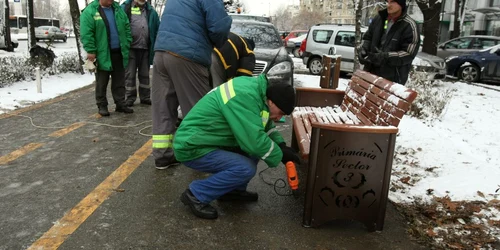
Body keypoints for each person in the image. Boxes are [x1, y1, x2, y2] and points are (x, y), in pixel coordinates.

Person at [173, 75, 301, 219]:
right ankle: (196, 194)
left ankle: (232, 191)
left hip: (208, 140)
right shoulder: (244, 96)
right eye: (281, 113)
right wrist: (281, 154)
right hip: (193, 145)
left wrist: (281, 145)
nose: (279, 118)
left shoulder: (259, 93)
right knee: (245, 168)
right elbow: (254, 142)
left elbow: (264, 125)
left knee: (253, 153)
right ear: (272, 102)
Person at [151, 0, 231, 170]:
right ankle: (201, 155)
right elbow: (220, 26)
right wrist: (217, 42)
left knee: (163, 108)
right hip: (187, 54)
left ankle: (163, 155)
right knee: (198, 110)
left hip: (161, 52)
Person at [80, 0, 133, 116]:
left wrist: (127, 43)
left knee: (119, 81)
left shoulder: (118, 10)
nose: (111, 1)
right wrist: (91, 50)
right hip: (102, 54)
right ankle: (102, 105)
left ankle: (120, 103)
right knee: (101, 82)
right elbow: (86, 33)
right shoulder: (90, 11)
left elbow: (127, 27)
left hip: (119, 52)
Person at [358, 0, 420, 85]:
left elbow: (409, 53)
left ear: (401, 5)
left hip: (392, 79)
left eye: (393, 2)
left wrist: (386, 57)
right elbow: (368, 37)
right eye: (388, 1)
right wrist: (364, 49)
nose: (388, 5)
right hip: (371, 73)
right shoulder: (379, 19)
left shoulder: (409, 26)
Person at [121, 0, 160, 107]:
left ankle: (145, 97)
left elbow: (157, 28)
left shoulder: (151, 10)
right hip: (130, 48)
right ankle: (130, 98)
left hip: (145, 47)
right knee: (130, 75)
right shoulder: (125, 8)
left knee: (145, 75)